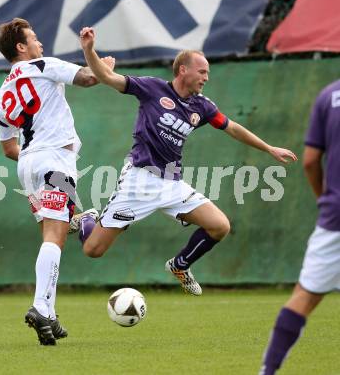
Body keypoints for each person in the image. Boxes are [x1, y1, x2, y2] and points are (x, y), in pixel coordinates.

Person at [75, 26, 297, 296]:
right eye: (202, 72)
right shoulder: (152, 88)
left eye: (207, 73)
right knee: (93, 250)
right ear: (183, 70)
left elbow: (232, 127)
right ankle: (88, 219)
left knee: (219, 226)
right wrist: (88, 50)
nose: (205, 78)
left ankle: (180, 265)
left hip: (172, 183)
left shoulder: (202, 107)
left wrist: (269, 148)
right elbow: (107, 77)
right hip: (138, 181)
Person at [0, 18, 112, 346]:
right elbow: (90, 79)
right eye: (34, 38)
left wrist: (35, 163)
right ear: (21, 47)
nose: (40, 44)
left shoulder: (3, 91)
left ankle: (49, 310)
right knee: (55, 234)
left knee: (54, 233)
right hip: (54, 160)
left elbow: (7, 148)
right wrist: (96, 58)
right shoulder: (42, 65)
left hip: (27, 164)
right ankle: (40, 308)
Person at [259, 80, 340, 374]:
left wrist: (325, 199)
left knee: (304, 296)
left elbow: (309, 162)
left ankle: (267, 371)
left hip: (335, 217)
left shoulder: (329, 96)